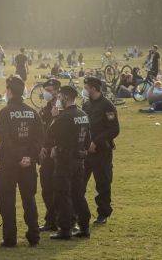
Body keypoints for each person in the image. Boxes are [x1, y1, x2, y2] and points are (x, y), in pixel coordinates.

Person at [0, 76, 43, 247]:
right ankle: (34, 235)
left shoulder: (5, 112)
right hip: (28, 164)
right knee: (29, 200)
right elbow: (39, 139)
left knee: (7, 201)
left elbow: (6, 140)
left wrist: (18, 158)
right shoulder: (33, 112)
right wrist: (29, 157)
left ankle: (9, 238)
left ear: (9, 91)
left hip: (9, 163)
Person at [47, 85, 92, 240]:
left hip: (64, 159)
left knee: (63, 194)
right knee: (78, 194)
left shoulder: (64, 116)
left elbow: (50, 134)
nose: (58, 100)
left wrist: (53, 117)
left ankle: (65, 229)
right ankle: (85, 227)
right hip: (79, 159)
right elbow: (88, 139)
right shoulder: (83, 114)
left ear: (65, 97)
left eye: (60, 97)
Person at [82, 77, 120, 225]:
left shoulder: (107, 106)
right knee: (79, 183)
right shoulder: (86, 105)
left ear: (93, 88)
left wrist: (96, 141)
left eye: (86, 87)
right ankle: (79, 214)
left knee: (102, 183)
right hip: (85, 152)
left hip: (101, 151)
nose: (84, 90)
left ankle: (103, 213)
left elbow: (114, 129)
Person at [38, 79, 62, 232]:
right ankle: (51, 219)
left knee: (60, 189)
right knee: (46, 188)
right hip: (45, 154)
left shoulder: (63, 110)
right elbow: (41, 132)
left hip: (59, 155)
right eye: (45, 89)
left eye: (50, 89)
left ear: (57, 91)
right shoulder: (45, 110)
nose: (46, 92)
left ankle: (62, 219)